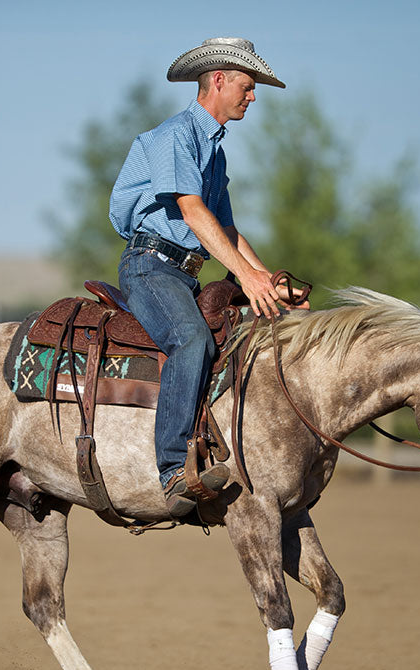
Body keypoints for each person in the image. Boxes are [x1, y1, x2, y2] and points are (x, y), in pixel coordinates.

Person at [109, 37, 288, 518]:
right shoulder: (175, 135)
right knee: (190, 339)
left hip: (182, 273)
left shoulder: (216, 152)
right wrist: (243, 277)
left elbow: (227, 229)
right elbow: (192, 211)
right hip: (150, 265)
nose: (253, 97)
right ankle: (171, 469)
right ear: (218, 80)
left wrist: (265, 280)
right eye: (248, 87)